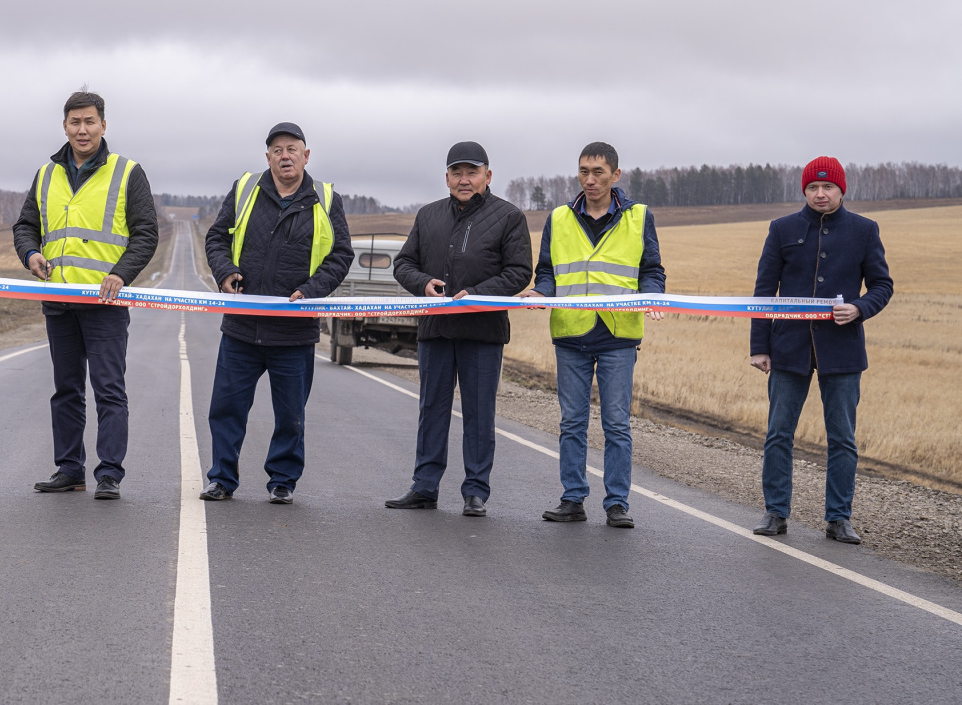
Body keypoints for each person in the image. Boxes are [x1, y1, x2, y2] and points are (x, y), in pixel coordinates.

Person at [13, 90, 158, 501]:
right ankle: (69, 469)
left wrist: (121, 274)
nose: (82, 129)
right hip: (59, 302)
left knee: (109, 389)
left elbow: (146, 234)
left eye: (90, 121)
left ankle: (109, 473)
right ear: (65, 127)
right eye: (75, 122)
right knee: (66, 388)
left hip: (104, 304)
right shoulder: (46, 175)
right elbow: (25, 225)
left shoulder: (128, 173)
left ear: (103, 126)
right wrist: (31, 253)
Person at [199, 122, 353, 505]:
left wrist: (312, 290)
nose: (285, 155)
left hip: (294, 332)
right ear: (267, 156)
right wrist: (225, 273)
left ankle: (282, 480)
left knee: (290, 416)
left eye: (292, 149)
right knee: (227, 409)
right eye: (277, 150)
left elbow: (341, 255)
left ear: (306, 155)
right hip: (241, 328)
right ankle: (221, 478)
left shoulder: (326, 200)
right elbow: (217, 237)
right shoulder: (246, 189)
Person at [519, 141, 665, 528]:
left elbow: (652, 268)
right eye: (584, 171)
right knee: (572, 422)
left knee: (616, 423)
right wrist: (539, 291)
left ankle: (617, 504)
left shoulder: (639, 217)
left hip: (619, 334)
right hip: (571, 333)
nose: (590, 179)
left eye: (598, 172)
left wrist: (653, 295)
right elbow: (547, 271)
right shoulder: (559, 218)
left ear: (615, 175)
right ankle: (573, 499)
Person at [749, 156, 893, 544]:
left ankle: (838, 518)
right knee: (779, 433)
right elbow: (764, 293)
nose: (821, 193)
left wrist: (860, 308)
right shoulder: (782, 229)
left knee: (842, 437)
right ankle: (775, 513)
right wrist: (759, 346)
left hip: (842, 351)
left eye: (828, 187)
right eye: (813, 187)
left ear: (841, 190)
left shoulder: (864, 230)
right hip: (788, 349)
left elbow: (883, 286)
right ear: (805, 191)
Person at [385, 142, 532, 516]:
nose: (464, 179)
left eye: (472, 172)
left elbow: (518, 272)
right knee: (431, 408)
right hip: (435, 330)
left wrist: (477, 294)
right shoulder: (429, 215)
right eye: (457, 172)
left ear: (488, 175)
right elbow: (403, 263)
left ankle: (476, 491)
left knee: (479, 413)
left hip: (482, 331)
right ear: (447, 177)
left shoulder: (509, 217)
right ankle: (424, 486)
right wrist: (423, 283)